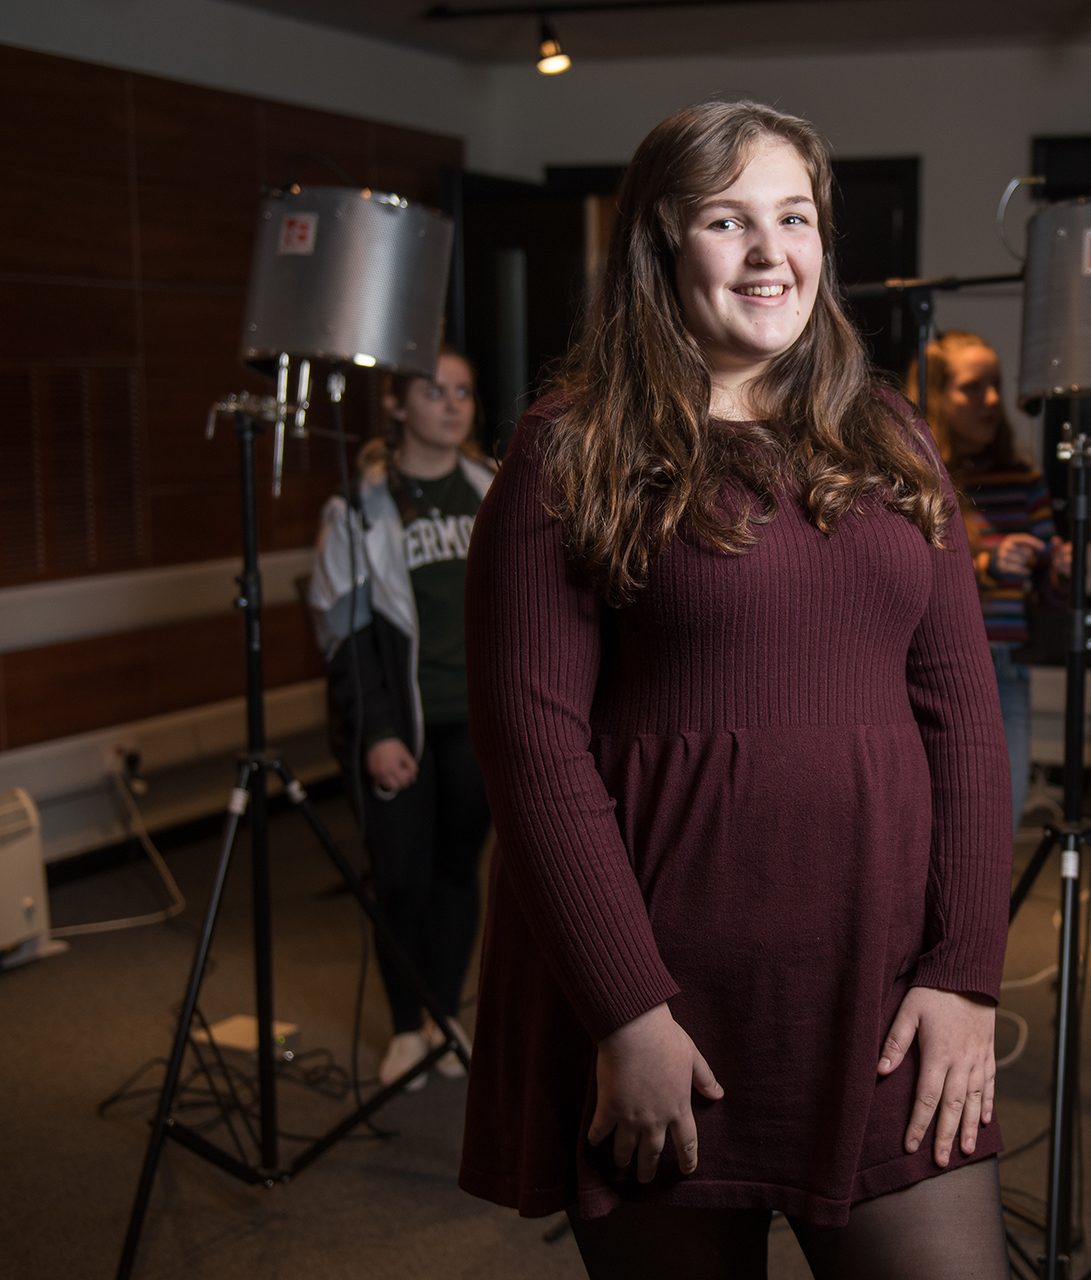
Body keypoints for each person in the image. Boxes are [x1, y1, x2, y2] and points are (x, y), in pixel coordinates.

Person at [457, 101, 1013, 1279]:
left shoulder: (893, 437)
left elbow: (964, 719)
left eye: (795, 217)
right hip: (674, 1002)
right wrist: (627, 1013)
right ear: (662, 240)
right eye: (729, 219)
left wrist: (966, 969)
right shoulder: (572, 449)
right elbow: (534, 755)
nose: (774, 254)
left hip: (880, 988)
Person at [308, 347, 494, 1090]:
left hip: (472, 723)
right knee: (401, 879)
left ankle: (444, 1016)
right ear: (396, 405)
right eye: (433, 391)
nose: (451, 405)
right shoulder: (360, 508)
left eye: (463, 391)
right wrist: (377, 730)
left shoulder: (493, 489)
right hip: (401, 729)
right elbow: (346, 633)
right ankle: (403, 1028)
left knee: (456, 870)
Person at [914, 331, 1068, 831]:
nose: (994, 400)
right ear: (936, 395)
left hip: (1005, 669)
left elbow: (1047, 597)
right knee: (933, 824)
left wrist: (1060, 571)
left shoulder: (1021, 478)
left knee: (998, 824)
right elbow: (907, 584)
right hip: (926, 669)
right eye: (973, 388)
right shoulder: (914, 475)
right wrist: (985, 570)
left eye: (997, 385)